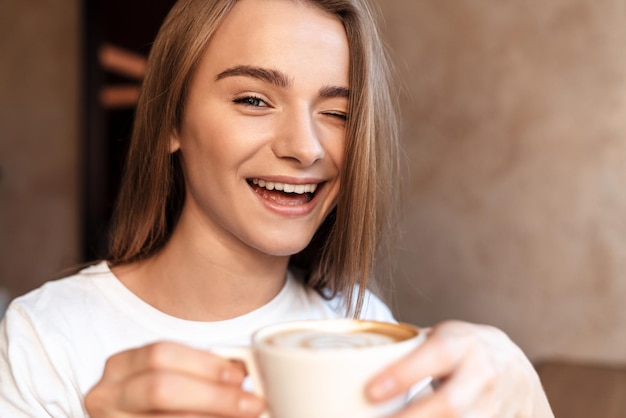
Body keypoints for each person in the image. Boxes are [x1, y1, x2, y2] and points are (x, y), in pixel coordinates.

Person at [0, 0, 555, 417]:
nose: (306, 148)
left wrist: (528, 399)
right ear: (171, 120)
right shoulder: (44, 338)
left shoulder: (366, 331)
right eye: (254, 100)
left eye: (337, 112)